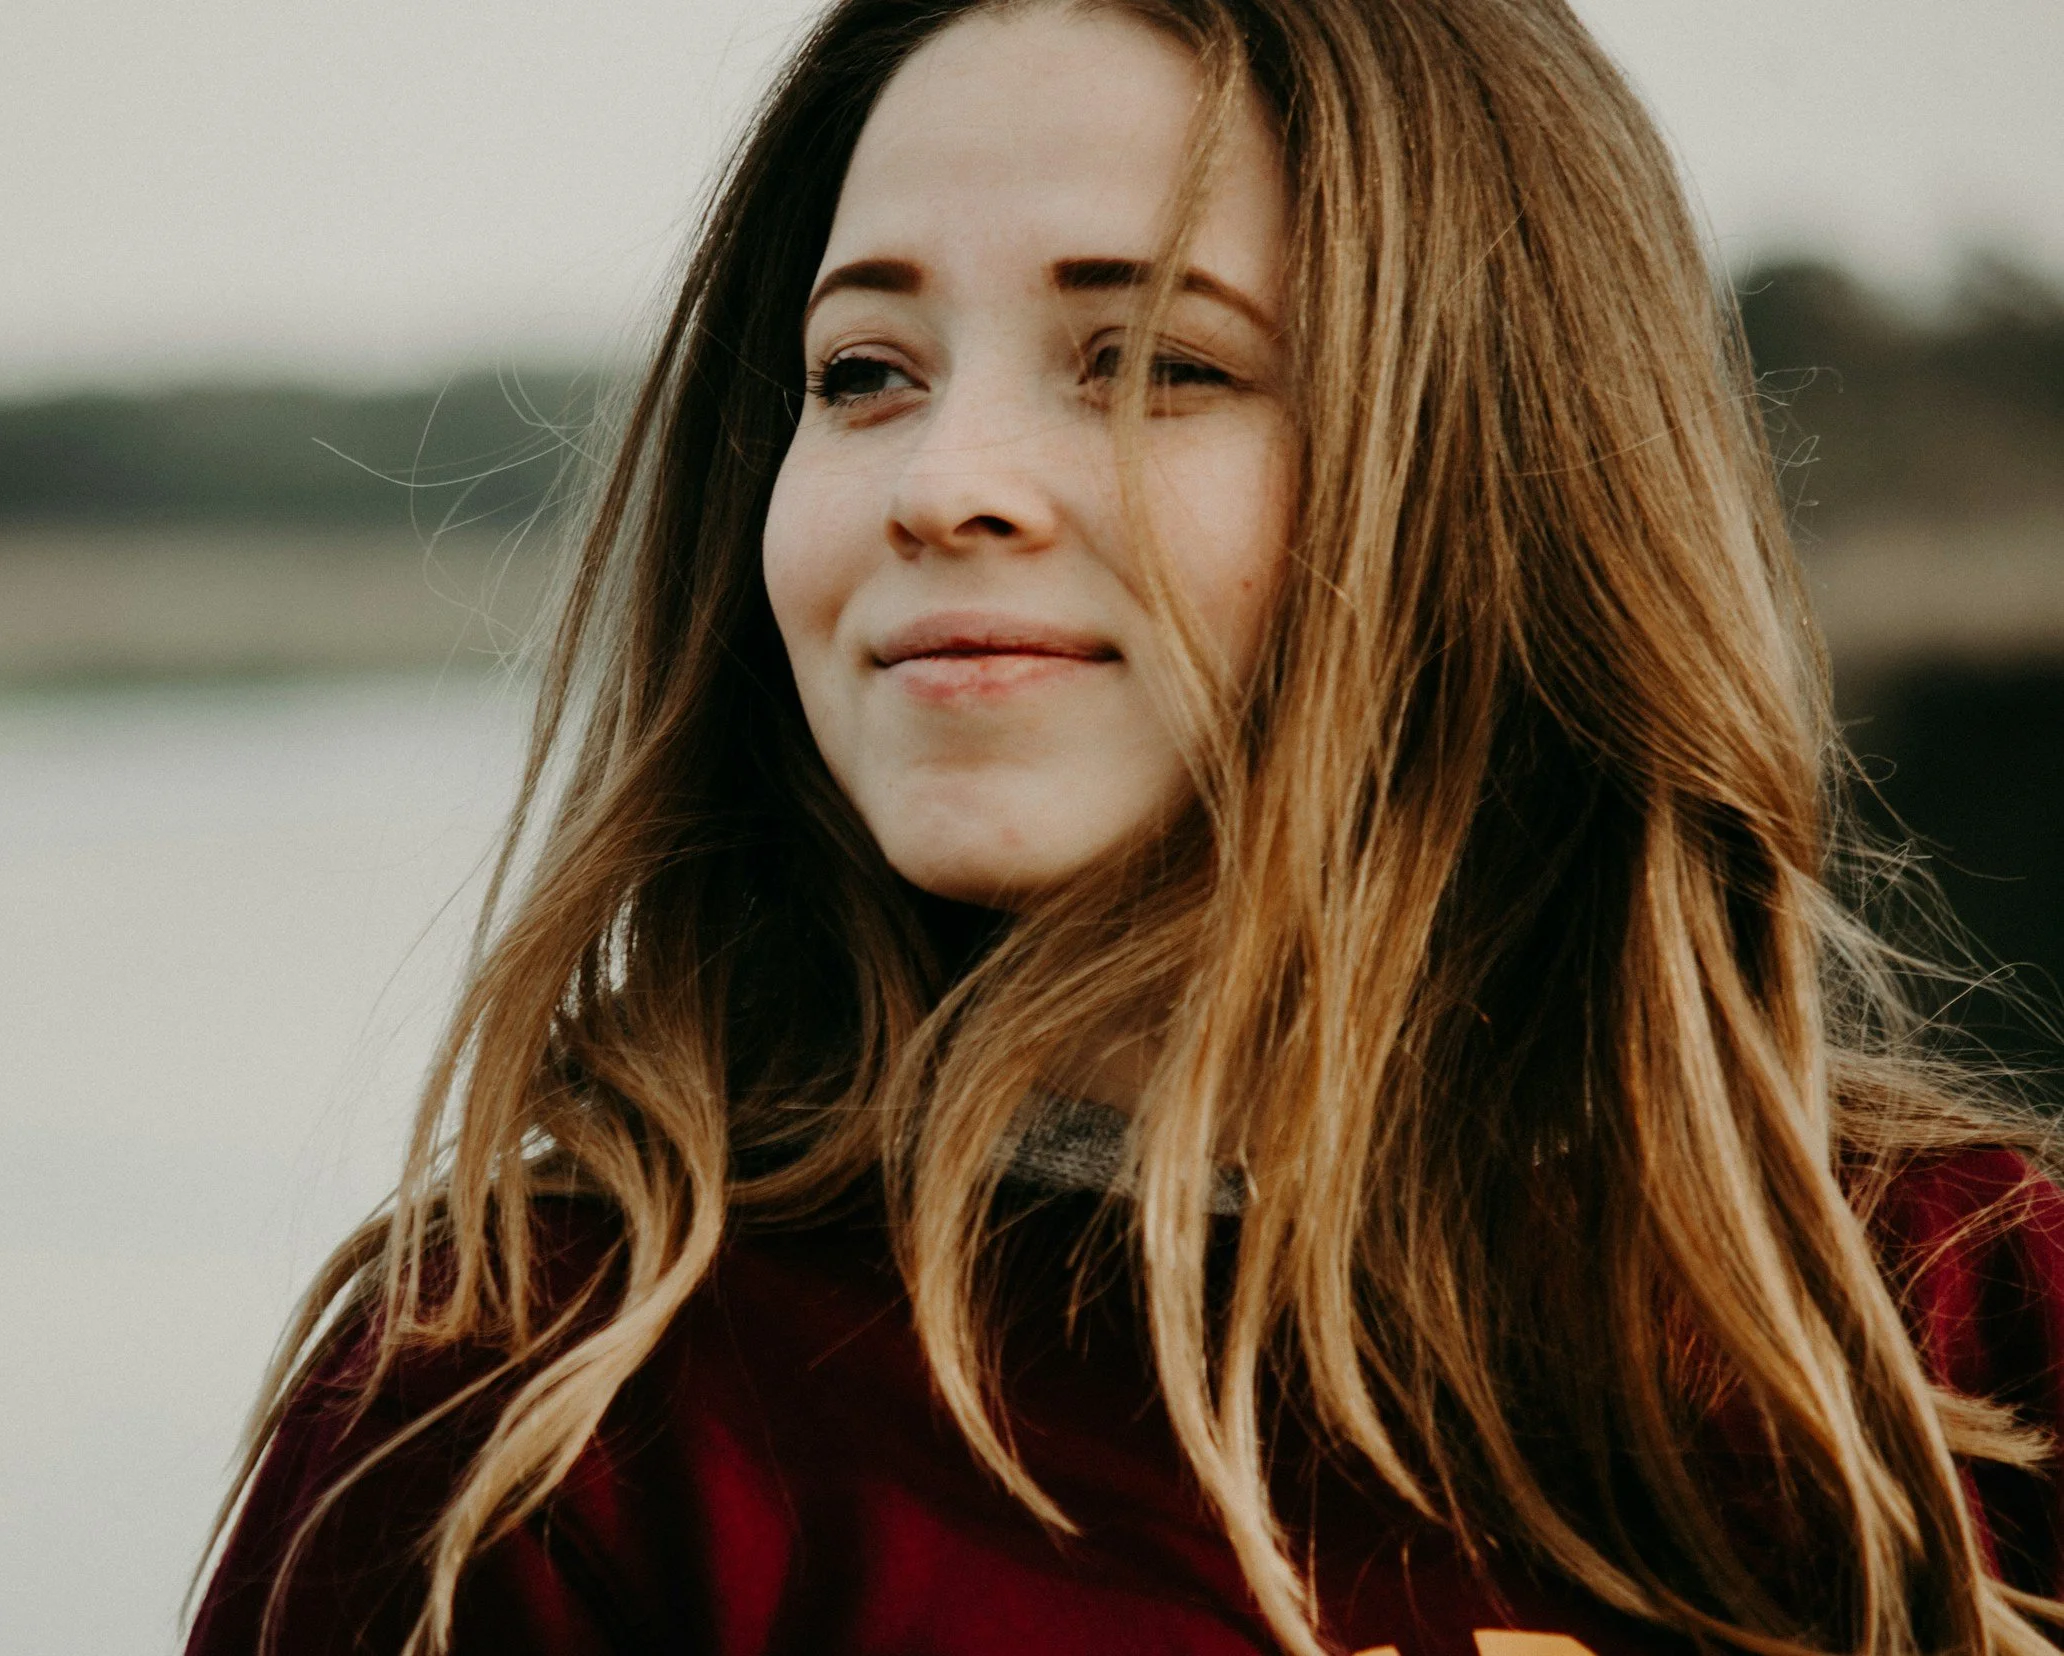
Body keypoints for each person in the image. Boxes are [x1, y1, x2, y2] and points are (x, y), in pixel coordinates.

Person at [187, 2, 2064, 1653]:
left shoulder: (1964, 1324)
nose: (943, 485)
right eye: (863, 375)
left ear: (1511, 471)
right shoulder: (550, 1423)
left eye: (1159, 359)